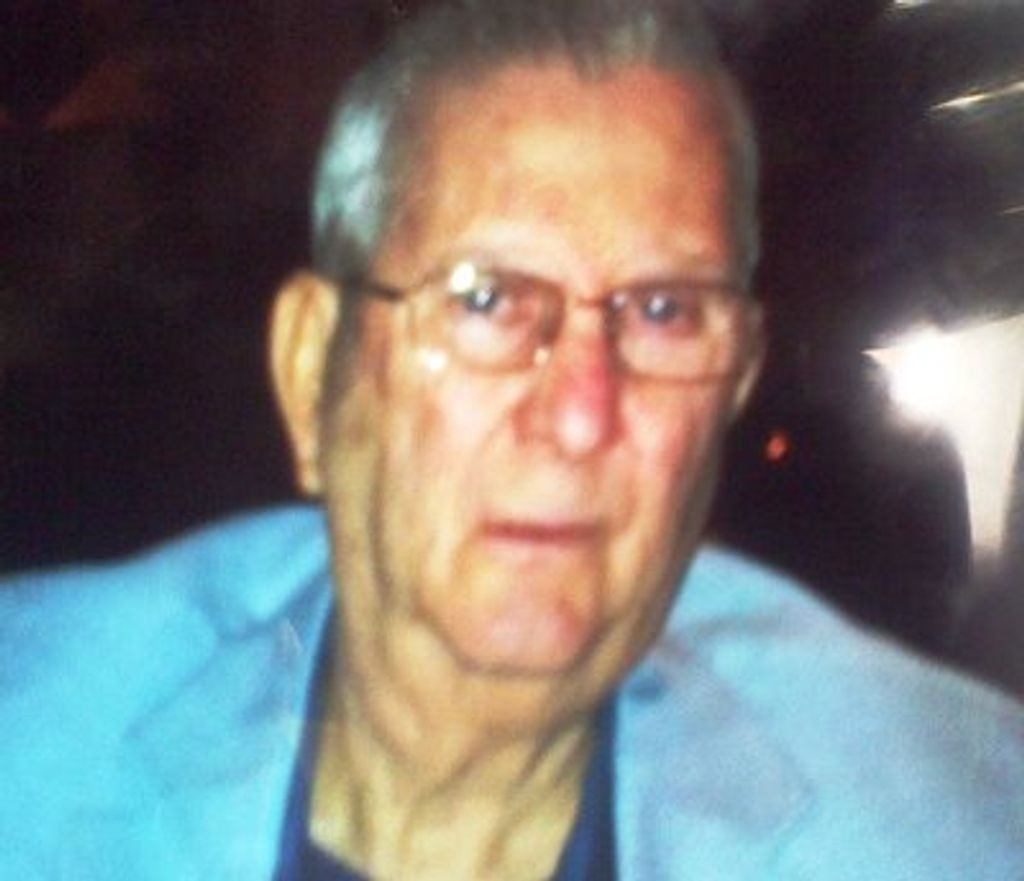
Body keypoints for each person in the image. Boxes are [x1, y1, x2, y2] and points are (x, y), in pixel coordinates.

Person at [1, 1, 1022, 879]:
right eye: (484, 298)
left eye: (663, 312)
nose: (580, 414)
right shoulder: (34, 728)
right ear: (314, 373)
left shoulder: (954, 820)